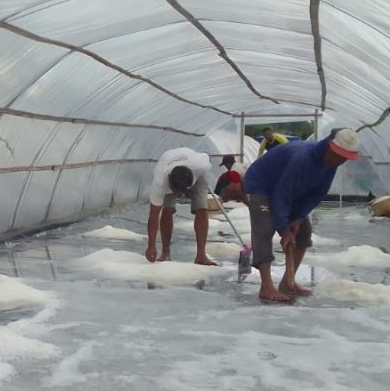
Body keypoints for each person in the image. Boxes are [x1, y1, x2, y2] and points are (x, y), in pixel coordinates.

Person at [243, 128, 360, 303]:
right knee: (265, 228)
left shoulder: (331, 165)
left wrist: (298, 218)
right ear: (329, 145)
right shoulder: (302, 158)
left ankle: (287, 282)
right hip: (261, 185)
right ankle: (266, 286)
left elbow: (317, 194)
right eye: (337, 155)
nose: (338, 160)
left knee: (304, 232)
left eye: (344, 158)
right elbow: (282, 194)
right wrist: (284, 230)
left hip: (287, 190)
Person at [144, 147, 219, 266]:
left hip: (195, 173)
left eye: (182, 192)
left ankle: (201, 255)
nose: (180, 195)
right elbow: (154, 215)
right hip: (169, 170)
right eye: (177, 191)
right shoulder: (160, 181)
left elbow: (207, 156)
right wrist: (151, 245)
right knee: (167, 209)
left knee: (202, 209)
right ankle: (165, 253)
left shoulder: (200, 164)